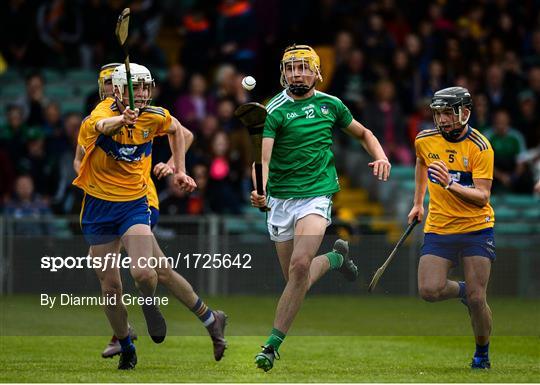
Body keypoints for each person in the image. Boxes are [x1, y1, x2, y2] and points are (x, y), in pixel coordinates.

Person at [74, 63, 227, 365]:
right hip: (99, 208)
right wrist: (120, 120)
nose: (141, 93)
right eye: (135, 87)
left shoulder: (152, 115)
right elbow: (101, 129)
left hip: (137, 202)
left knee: (145, 272)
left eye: (145, 87)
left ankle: (145, 305)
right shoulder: (98, 116)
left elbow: (182, 132)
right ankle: (135, 342)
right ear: (114, 90)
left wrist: (177, 168)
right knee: (116, 284)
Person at [250, 44, 391, 372]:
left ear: (317, 73)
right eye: (291, 68)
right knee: (294, 279)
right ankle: (336, 258)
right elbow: (265, 158)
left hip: (316, 194)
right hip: (281, 199)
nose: (297, 73)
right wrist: (260, 190)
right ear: (283, 73)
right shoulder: (275, 109)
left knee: (300, 267)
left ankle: (271, 345)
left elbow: (364, 133)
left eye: (303, 68)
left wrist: (381, 156)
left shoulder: (332, 105)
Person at [408, 87, 495, 369]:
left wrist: (449, 184)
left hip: (475, 228)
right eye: (438, 113)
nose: (442, 119)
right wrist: (418, 203)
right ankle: (462, 291)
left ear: (465, 113)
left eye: (448, 112)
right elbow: (422, 163)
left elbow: (483, 197)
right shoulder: (424, 140)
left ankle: (482, 353)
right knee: (428, 290)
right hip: (440, 226)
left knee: (478, 297)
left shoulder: (480, 147)